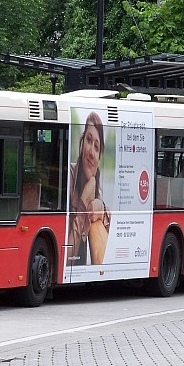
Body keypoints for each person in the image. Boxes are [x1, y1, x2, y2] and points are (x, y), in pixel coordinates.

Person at [67, 112, 111, 265]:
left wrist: (102, 210)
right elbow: (66, 259)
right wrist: (83, 205)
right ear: (82, 143)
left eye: (96, 147)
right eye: (89, 140)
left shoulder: (96, 189)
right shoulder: (69, 176)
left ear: (99, 157)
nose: (91, 152)